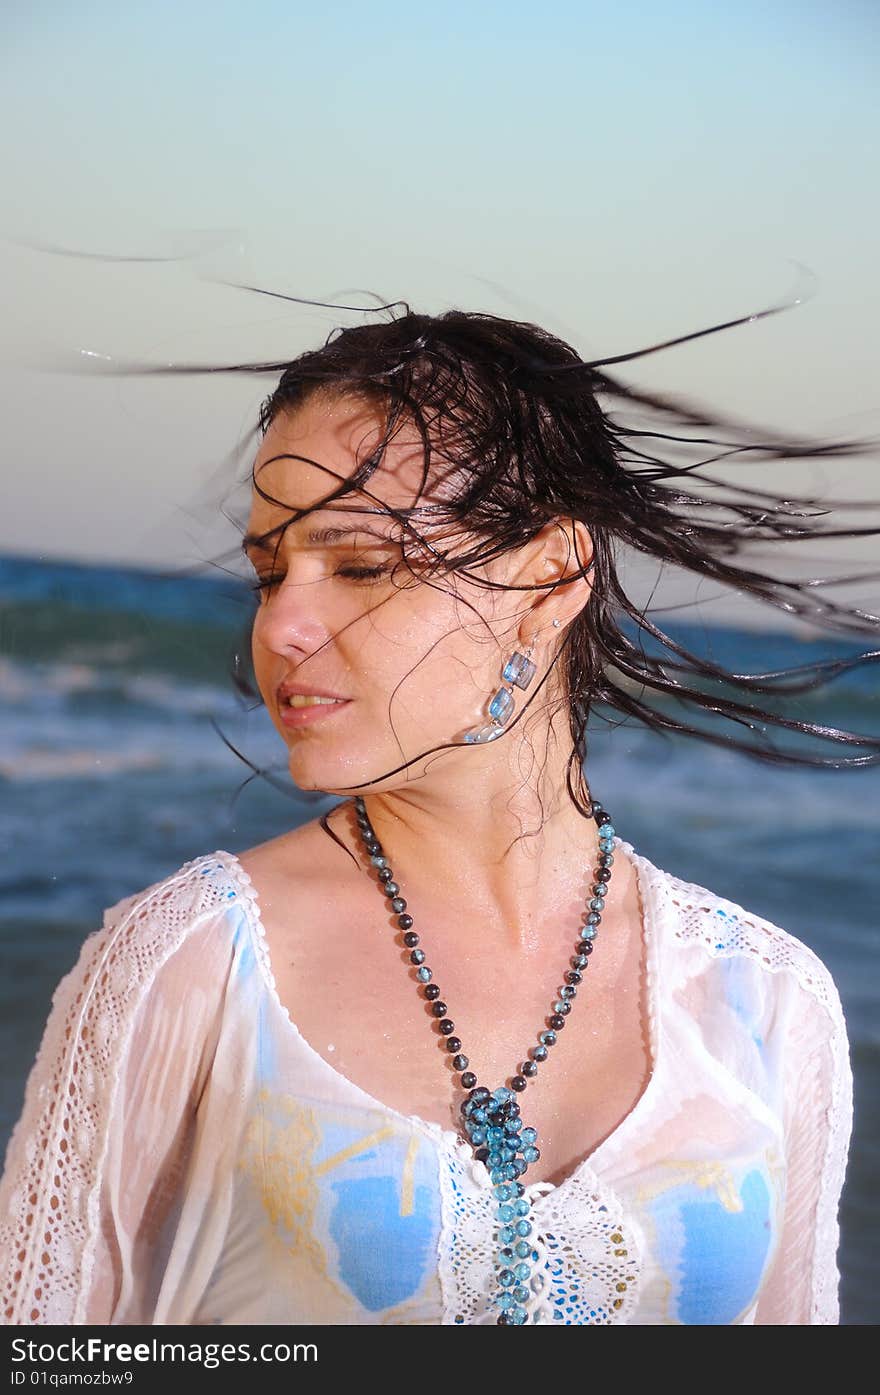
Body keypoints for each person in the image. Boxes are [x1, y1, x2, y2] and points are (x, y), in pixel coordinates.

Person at [0, 304, 873, 1326]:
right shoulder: (197, 962)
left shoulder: (764, 999)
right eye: (270, 571)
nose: (280, 624)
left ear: (549, 579)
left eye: (361, 566)